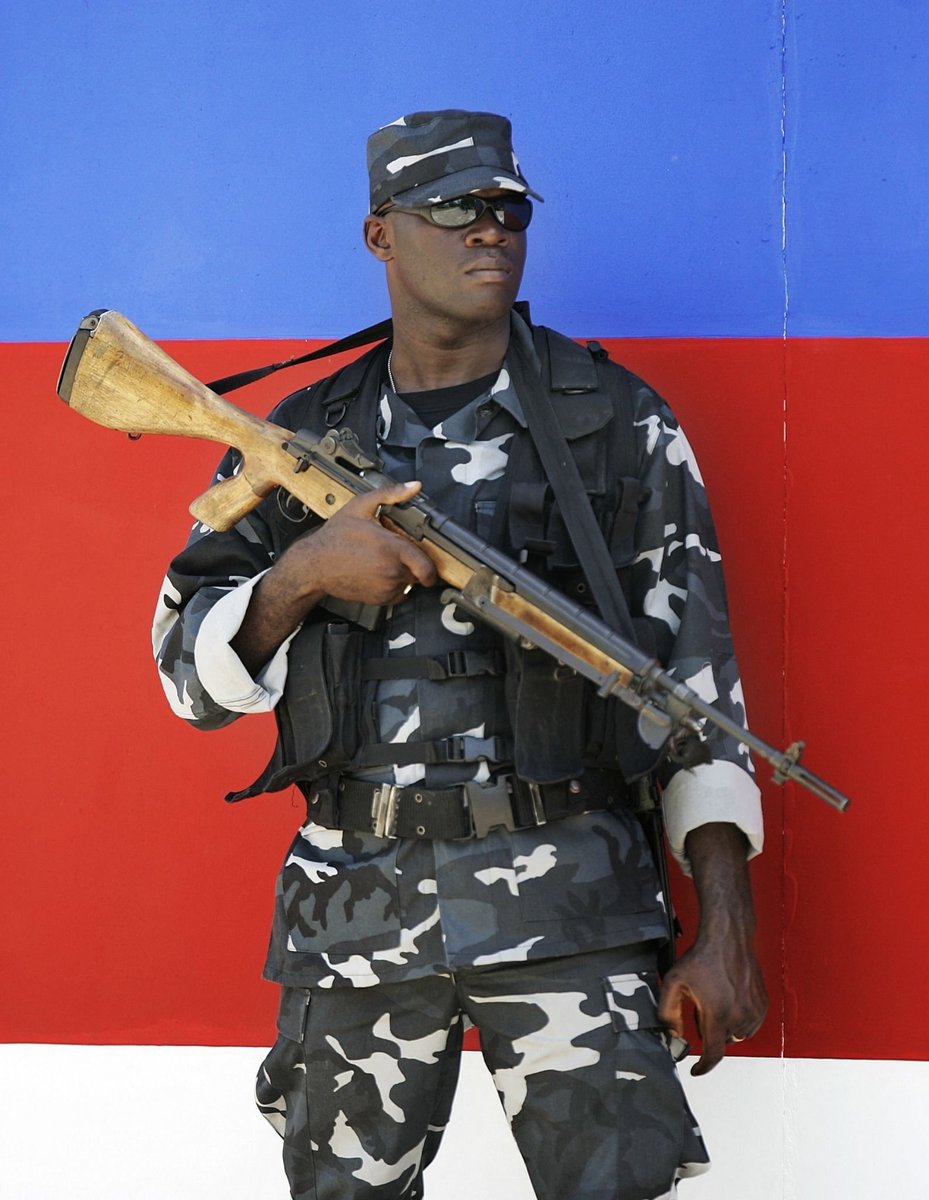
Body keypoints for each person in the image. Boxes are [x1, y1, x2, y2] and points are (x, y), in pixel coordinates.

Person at [153, 109, 767, 1200]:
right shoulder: (300, 434)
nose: (489, 230)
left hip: (573, 908)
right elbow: (185, 678)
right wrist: (302, 575)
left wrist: (724, 929)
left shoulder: (614, 422)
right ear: (379, 234)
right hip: (353, 915)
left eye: (508, 209)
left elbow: (700, 696)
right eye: (454, 208)